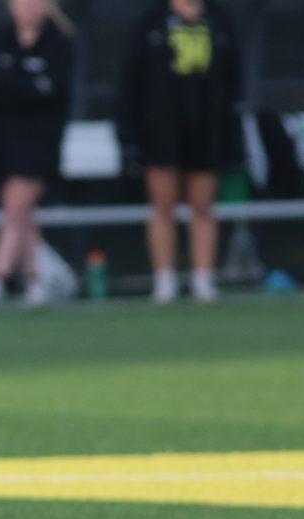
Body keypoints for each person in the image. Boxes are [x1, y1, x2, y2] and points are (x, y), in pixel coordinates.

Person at [117, 0, 243, 304]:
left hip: (206, 126)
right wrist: (129, 132)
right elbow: (131, 79)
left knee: (203, 205)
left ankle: (203, 279)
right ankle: (164, 280)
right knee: (163, 204)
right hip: (161, 128)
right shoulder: (151, 20)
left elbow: (233, 79)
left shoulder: (219, 19)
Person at [0, 0, 74, 307]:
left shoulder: (59, 43)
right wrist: (23, 86)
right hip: (1, 141)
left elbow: (49, 91)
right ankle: (37, 279)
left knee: (15, 209)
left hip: (39, 142)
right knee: (23, 215)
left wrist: (15, 86)